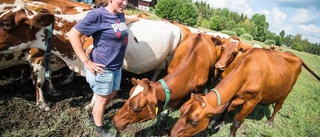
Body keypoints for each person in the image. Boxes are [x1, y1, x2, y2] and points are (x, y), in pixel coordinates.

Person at [67, 0, 139, 136]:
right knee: (103, 99)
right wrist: (86, 61)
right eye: (121, 0)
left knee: (113, 93)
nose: (125, 3)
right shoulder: (97, 15)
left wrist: (136, 18)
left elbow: (124, 21)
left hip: (116, 66)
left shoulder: (120, 14)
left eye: (126, 0)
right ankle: (99, 127)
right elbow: (72, 34)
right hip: (102, 68)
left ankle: (94, 112)